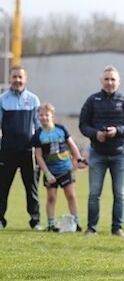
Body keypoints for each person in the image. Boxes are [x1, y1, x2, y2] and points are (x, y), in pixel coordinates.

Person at [79, 65, 124, 237]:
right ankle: (91, 228)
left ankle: (117, 228)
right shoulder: (92, 100)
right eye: (106, 79)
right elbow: (83, 125)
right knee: (94, 193)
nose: (109, 82)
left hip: (120, 153)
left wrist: (117, 131)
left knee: (120, 194)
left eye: (113, 79)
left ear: (119, 82)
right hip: (97, 153)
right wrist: (95, 134)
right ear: (101, 81)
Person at [32, 103, 87, 232]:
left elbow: (72, 145)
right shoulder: (38, 135)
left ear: (52, 115)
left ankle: (76, 223)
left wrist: (79, 159)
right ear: (38, 117)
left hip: (65, 169)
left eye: (47, 115)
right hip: (50, 171)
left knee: (71, 195)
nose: (44, 117)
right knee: (51, 197)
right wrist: (47, 173)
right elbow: (39, 156)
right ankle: (51, 224)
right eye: (41, 115)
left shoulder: (61, 129)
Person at [0, 66, 42, 231]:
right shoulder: (2, 100)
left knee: (31, 187)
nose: (17, 80)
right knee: (2, 187)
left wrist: (40, 149)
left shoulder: (33, 100)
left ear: (25, 79)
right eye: (14, 77)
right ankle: (0, 220)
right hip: (7, 151)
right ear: (10, 79)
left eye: (20, 77)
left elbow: (38, 126)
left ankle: (35, 221)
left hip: (28, 152)